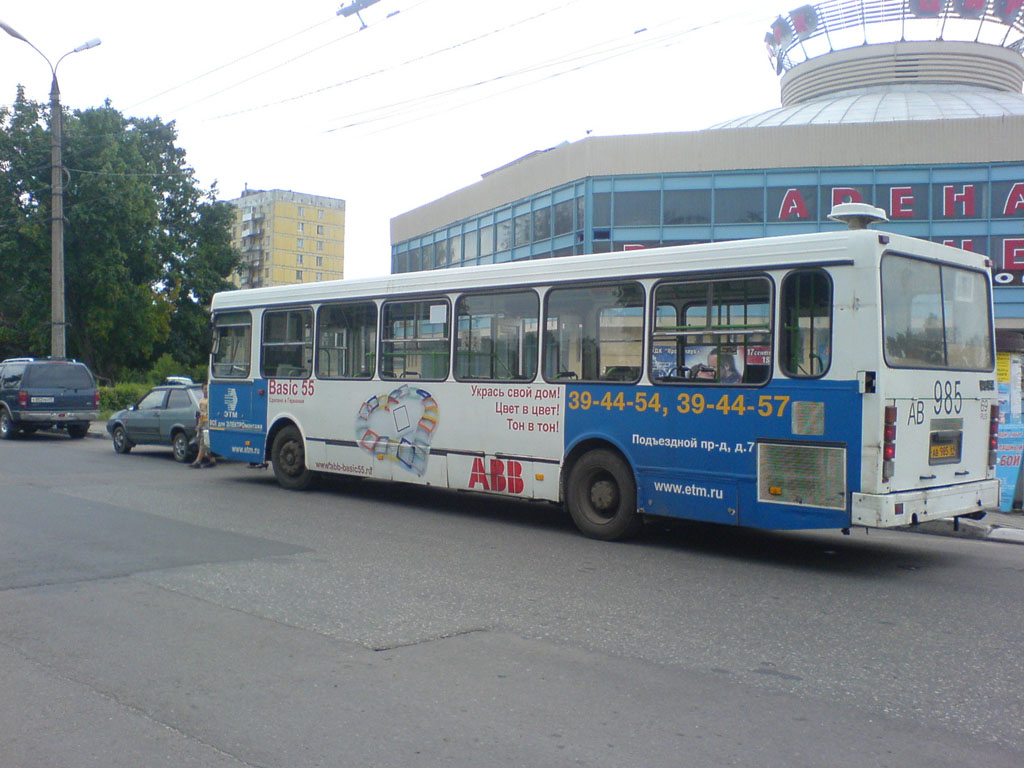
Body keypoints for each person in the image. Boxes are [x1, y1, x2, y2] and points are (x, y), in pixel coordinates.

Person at [190, 383, 216, 468]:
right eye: (205, 389)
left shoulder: (211, 400)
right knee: (202, 441)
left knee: (204, 441)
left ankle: (198, 461)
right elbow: (198, 413)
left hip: (207, 422)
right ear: (202, 390)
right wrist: (197, 425)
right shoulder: (201, 400)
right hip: (201, 422)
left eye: (207, 389)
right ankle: (211, 459)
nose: (206, 390)